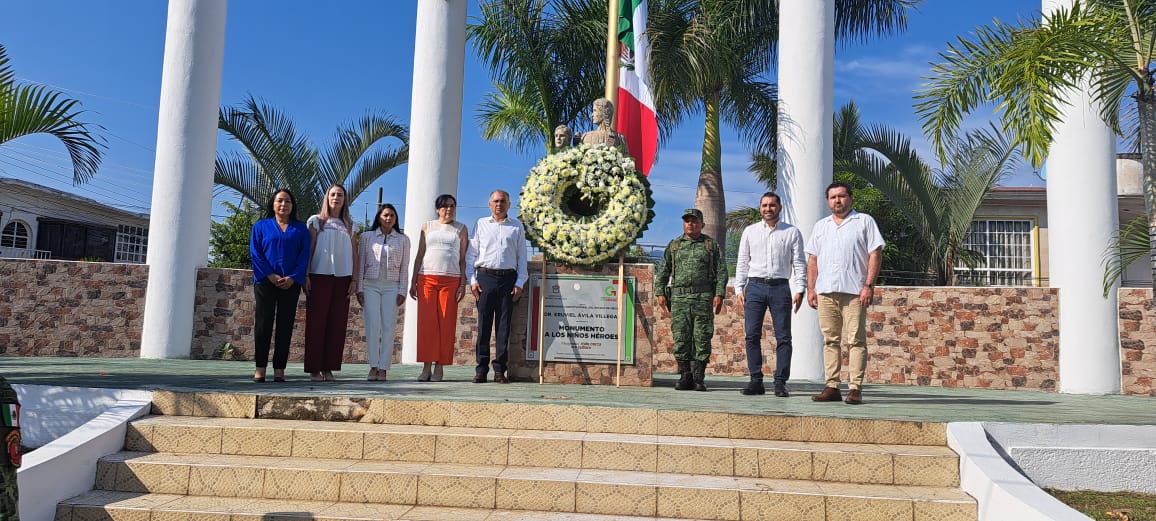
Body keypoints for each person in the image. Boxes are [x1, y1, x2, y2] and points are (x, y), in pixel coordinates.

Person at [806, 181, 884, 405]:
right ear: (827, 201)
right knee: (830, 340)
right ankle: (832, 386)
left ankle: (855, 387)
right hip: (825, 291)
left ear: (850, 198)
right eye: (832, 197)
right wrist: (811, 289)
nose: (837, 200)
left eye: (841, 196)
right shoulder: (821, 226)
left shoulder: (864, 221)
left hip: (854, 291)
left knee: (856, 340)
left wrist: (868, 285)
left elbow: (875, 254)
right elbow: (813, 259)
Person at [733, 192, 806, 397]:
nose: (768, 209)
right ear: (760, 208)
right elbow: (742, 261)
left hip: (781, 287)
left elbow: (799, 263)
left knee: (784, 337)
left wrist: (800, 288)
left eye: (772, 205)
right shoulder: (750, 231)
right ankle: (756, 380)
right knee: (751, 335)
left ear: (779, 207)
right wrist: (739, 288)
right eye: (764, 205)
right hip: (754, 287)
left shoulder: (792, 232)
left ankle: (780, 382)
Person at [655, 208, 727, 391]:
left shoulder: (710, 245)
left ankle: (699, 377)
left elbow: (721, 271)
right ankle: (685, 375)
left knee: (702, 337)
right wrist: (660, 292)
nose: (690, 224)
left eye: (694, 221)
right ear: (683, 223)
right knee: (681, 337)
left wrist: (719, 294)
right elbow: (664, 270)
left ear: (702, 224)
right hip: (679, 299)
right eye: (687, 221)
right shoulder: (675, 245)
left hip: (702, 298)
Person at [466, 190, 528, 384]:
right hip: (485, 278)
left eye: (503, 201)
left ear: (509, 204)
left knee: (503, 327)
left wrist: (520, 283)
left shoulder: (517, 227)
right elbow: (471, 255)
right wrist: (472, 280)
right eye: (495, 201)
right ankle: (481, 369)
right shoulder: (481, 224)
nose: (499, 204)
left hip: (507, 280)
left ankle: (500, 370)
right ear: (489, 204)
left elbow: (521, 259)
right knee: (483, 326)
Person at [249, 188, 310, 383]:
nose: (284, 205)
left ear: (293, 206)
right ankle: (260, 368)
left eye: (288, 202)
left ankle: (279, 369)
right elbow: (255, 253)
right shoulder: (260, 226)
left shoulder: (301, 229)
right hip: (265, 283)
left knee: (285, 325)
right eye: (280, 201)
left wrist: (293, 277)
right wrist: (270, 275)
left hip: (290, 284)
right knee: (263, 325)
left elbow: (304, 256)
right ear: (273, 204)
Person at [409, 194, 469, 382]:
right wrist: (413, 281)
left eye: (452, 206)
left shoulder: (461, 228)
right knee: (428, 324)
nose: (448, 209)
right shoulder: (427, 226)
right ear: (437, 209)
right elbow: (419, 255)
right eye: (444, 206)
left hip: (450, 280)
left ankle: (440, 367)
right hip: (426, 278)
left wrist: (462, 283)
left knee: (446, 323)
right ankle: (426, 367)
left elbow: (462, 258)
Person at [304, 184, 358, 382]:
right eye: (333, 194)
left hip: (343, 279)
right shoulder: (316, 221)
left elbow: (354, 254)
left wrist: (354, 279)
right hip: (319, 276)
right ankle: (314, 369)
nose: (336, 198)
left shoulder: (350, 225)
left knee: (337, 325)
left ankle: (329, 368)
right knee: (316, 324)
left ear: (345, 199)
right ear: (327, 197)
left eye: (340, 195)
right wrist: (306, 275)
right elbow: (309, 249)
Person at [356, 203, 410, 382]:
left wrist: (403, 289)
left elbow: (405, 267)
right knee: (372, 325)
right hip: (370, 285)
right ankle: (373, 366)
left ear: (396, 219)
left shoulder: (403, 240)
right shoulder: (367, 237)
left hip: (392, 286)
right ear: (379, 217)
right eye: (385, 215)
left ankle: (384, 367)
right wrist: (359, 288)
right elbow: (361, 262)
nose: (388, 218)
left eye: (392, 216)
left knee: (388, 326)